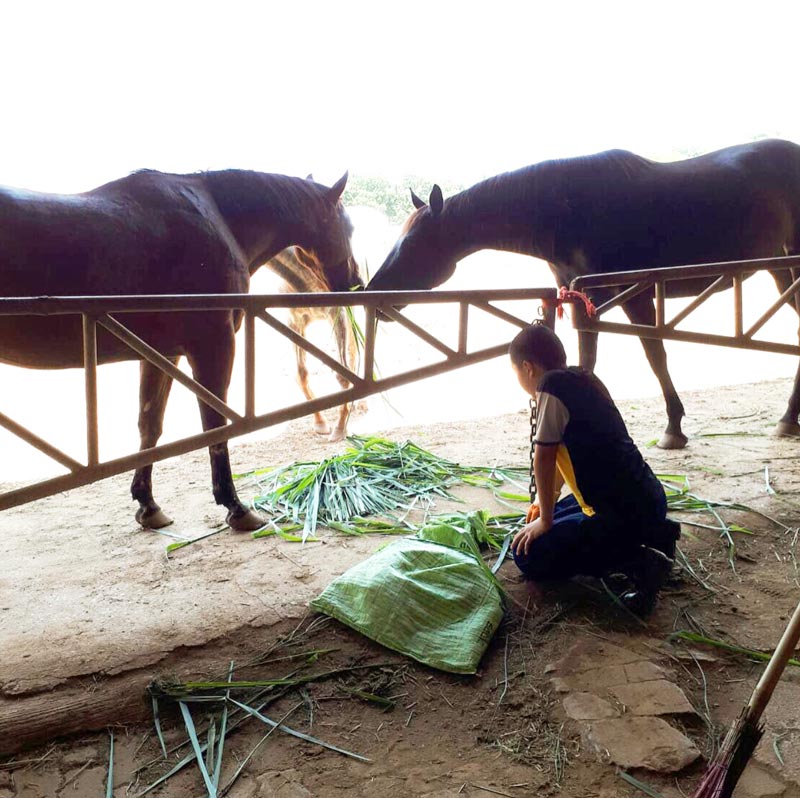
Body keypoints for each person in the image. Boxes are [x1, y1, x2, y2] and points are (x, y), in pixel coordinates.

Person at [508, 323, 680, 616]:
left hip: (622, 509)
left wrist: (546, 521)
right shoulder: (583, 377)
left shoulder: (550, 387)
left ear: (527, 367)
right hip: (645, 496)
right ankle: (654, 535)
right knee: (540, 522)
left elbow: (545, 457)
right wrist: (543, 503)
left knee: (527, 554)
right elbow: (569, 452)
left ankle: (639, 560)